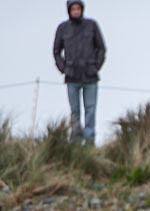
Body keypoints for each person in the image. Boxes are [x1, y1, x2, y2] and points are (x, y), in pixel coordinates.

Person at [53, 0, 106, 145]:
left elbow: (101, 49)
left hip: (90, 77)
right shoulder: (63, 28)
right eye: (73, 9)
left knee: (90, 110)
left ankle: (89, 141)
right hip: (72, 78)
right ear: (69, 11)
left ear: (82, 9)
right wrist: (64, 68)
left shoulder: (92, 25)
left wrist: (95, 67)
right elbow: (56, 51)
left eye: (78, 8)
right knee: (75, 111)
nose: (76, 11)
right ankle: (76, 141)